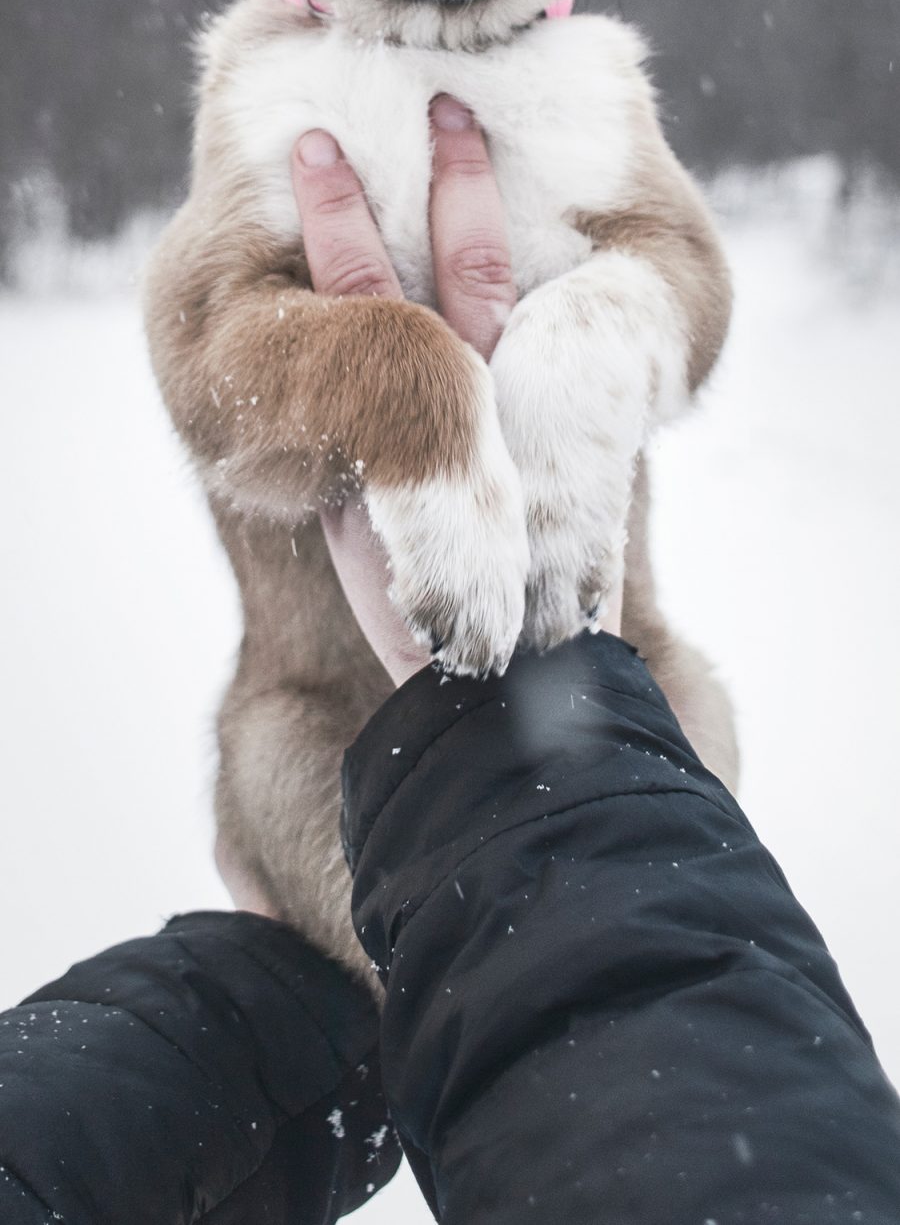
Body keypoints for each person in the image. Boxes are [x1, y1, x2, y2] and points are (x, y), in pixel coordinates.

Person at [2, 98, 899, 1224]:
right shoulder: (271, 91)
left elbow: (691, 295)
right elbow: (205, 373)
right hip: (347, 763)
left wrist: (274, 1017)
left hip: (554, 802)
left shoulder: (588, 82)